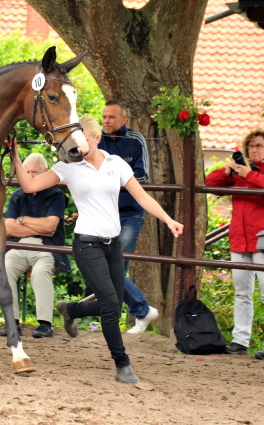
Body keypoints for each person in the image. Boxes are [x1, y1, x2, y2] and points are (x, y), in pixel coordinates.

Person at [10, 116, 183, 384]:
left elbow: (142, 196)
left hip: (113, 245)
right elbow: (30, 185)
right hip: (87, 244)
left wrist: (168, 220)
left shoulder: (116, 164)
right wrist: (15, 159)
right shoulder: (68, 168)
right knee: (111, 305)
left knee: (109, 303)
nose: (76, 147)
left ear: (96, 138)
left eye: (83, 141)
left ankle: (72, 310)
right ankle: (122, 364)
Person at [205, 128, 264, 359]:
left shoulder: (261, 172)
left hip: (263, 240)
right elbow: (209, 182)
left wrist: (249, 175)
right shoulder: (242, 171)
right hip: (239, 239)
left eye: (259, 145)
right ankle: (240, 341)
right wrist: (228, 170)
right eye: (251, 146)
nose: (254, 150)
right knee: (241, 292)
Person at [100, 100, 159, 333]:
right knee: (106, 266)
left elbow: (143, 178)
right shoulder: (97, 140)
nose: (105, 121)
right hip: (105, 213)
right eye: (103, 117)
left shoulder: (136, 140)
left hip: (130, 213)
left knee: (115, 266)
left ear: (124, 119)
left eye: (111, 117)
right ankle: (142, 311)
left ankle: (140, 311)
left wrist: (110, 180)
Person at [0, 153, 71, 338]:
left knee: (40, 273)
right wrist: (38, 227)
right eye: (27, 172)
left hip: (46, 248)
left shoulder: (56, 194)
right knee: (5, 267)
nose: (30, 176)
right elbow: (8, 227)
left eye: (35, 172)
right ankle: (12, 322)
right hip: (18, 247)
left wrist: (22, 220)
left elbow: (50, 227)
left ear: (46, 172)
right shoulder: (17, 194)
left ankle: (45, 324)